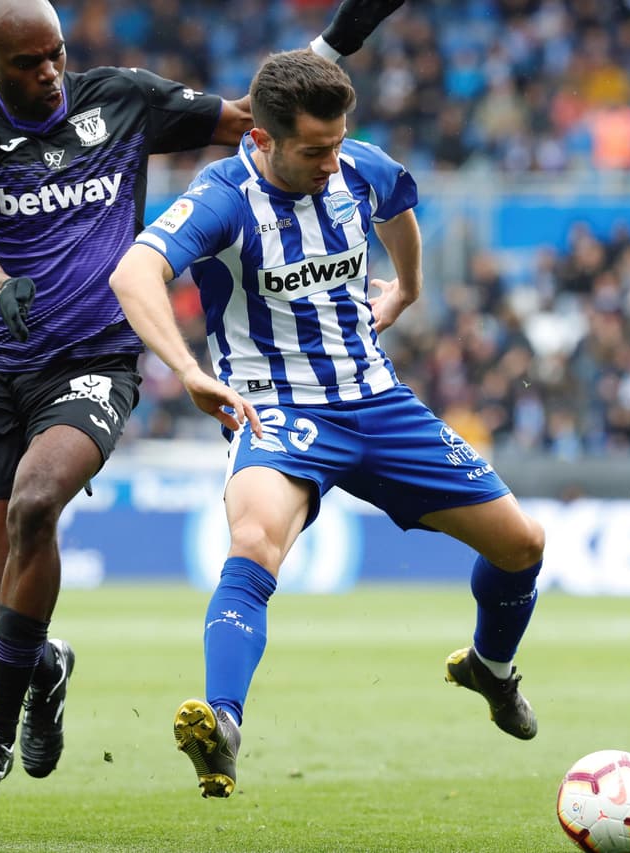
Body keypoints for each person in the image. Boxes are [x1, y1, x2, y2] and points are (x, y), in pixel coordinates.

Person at [0, 0, 404, 811]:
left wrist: (338, 39)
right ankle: (46, 671)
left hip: (92, 360)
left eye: (56, 55)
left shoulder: (122, 99)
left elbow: (262, 118)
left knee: (37, 502)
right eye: (26, 64)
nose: (48, 74)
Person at [109, 49, 546, 799]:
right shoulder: (224, 197)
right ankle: (223, 724)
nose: (330, 161)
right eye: (314, 150)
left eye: (338, 143)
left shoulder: (357, 167)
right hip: (277, 408)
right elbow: (132, 272)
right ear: (262, 140)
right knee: (252, 543)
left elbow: (397, 199)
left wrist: (406, 289)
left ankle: (491, 669)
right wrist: (188, 369)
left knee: (522, 545)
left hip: (376, 400)